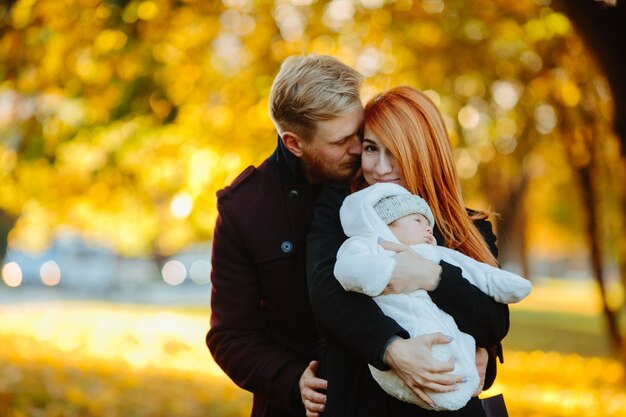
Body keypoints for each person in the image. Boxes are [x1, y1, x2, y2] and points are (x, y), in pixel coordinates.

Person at [306, 86, 511, 417]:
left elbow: (493, 322)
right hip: (362, 402)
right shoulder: (344, 209)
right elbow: (328, 294)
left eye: (396, 152)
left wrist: (434, 276)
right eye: (371, 149)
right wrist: (393, 349)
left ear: (425, 152)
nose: (381, 168)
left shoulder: (469, 227)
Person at [205, 54, 364, 417]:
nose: (357, 148)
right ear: (294, 143)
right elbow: (230, 335)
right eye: (341, 141)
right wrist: (291, 380)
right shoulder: (243, 210)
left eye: (360, 131)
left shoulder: (382, 168)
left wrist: (482, 349)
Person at [334, 182, 531, 410]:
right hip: (389, 363)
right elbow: (347, 271)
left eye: (428, 223)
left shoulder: (442, 249)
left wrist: (502, 283)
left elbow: (477, 273)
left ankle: (454, 386)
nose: (428, 228)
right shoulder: (371, 247)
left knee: (452, 350)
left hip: (446, 339)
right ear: (387, 224)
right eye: (418, 221)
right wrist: (388, 272)